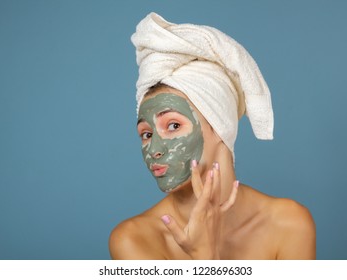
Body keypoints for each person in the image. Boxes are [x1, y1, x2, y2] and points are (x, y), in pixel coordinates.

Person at [109, 13, 316, 260]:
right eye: (146, 133)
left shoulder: (289, 224)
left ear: (220, 126)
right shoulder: (134, 239)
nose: (154, 149)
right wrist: (205, 256)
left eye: (173, 125)